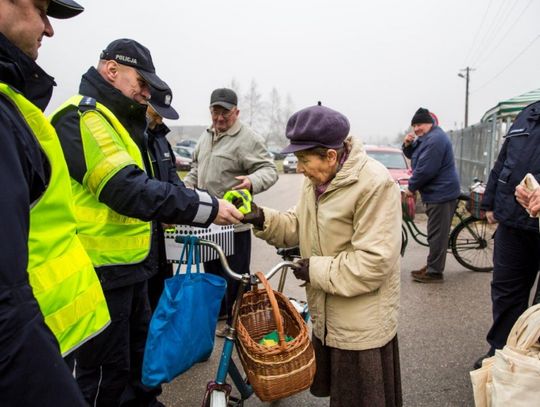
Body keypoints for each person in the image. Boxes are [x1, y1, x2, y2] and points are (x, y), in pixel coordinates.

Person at [50, 39, 243, 406]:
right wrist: (204, 206)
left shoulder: (121, 123)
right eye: (141, 83)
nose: (144, 93)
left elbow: (158, 185)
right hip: (99, 271)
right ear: (111, 70)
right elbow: (129, 190)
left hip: (132, 268)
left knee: (140, 355)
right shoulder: (84, 118)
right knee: (107, 371)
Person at [243, 104, 403, 407]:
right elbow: (299, 223)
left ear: (331, 154)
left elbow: (373, 261)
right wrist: (261, 217)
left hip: (360, 323)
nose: (299, 168)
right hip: (330, 315)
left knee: (359, 398)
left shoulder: (374, 184)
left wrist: (313, 269)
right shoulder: (317, 179)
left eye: (303, 159)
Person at [0, 1, 111, 405]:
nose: (49, 29)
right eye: (41, 8)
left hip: (49, 329)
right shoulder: (81, 119)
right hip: (28, 349)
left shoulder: (16, 103)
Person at [183, 87, 278, 332]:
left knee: (236, 277)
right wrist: (185, 188)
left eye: (225, 112)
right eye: (216, 112)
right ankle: (221, 313)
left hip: (235, 225)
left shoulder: (248, 138)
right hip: (207, 221)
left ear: (236, 112)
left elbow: (269, 169)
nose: (220, 118)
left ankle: (240, 322)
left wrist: (252, 181)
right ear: (210, 111)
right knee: (212, 272)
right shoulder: (206, 137)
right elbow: (195, 169)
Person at [474, 101, 540, 368]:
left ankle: (532, 364)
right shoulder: (529, 113)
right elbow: (503, 162)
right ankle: (502, 352)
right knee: (506, 291)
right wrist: (489, 202)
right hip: (513, 223)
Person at [402, 108, 460, 283]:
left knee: (437, 235)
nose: (416, 129)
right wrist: (407, 145)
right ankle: (432, 264)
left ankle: (434, 272)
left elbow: (426, 169)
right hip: (436, 192)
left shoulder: (435, 140)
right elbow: (415, 155)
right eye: (414, 126)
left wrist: (411, 188)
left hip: (441, 194)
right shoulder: (427, 138)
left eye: (419, 124)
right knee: (435, 233)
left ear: (429, 123)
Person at [145, 84, 182, 310]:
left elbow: (172, 177)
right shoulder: (132, 137)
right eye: (155, 114)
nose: (159, 121)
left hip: (163, 238)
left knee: (161, 298)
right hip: (142, 238)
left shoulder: (161, 139)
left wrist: (181, 205)